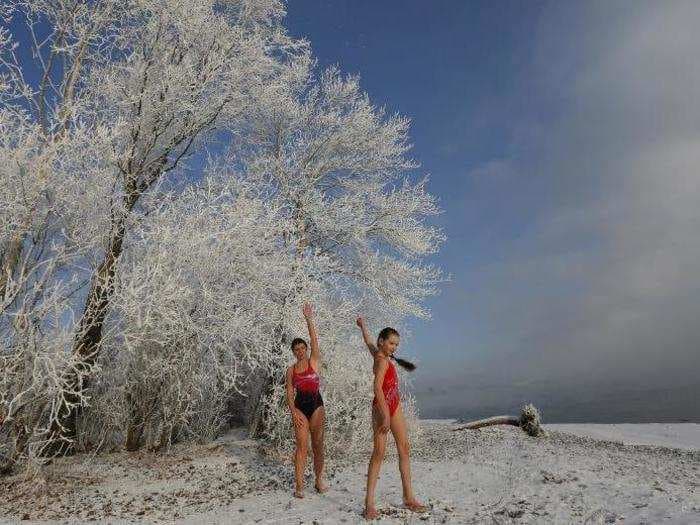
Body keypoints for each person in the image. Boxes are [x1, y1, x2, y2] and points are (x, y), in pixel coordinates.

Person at [356, 316, 427, 520]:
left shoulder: (379, 354)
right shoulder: (381, 361)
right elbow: (376, 387)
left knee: (404, 448)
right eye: (391, 343)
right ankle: (369, 504)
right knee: (379, 452)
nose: (394, 347)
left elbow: (368, 342)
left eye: (396, 344)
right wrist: (385, 414)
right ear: (383, 341)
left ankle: (408, 497)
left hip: (394, 405)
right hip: (382, 408)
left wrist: (363, 327)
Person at [285, 303, 328, 498]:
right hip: (300, 407)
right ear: (293, 352)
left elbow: (315, 340)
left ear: (306, 349)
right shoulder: (291, 370)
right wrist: (293, 411)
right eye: (297, 349)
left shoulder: (313, 361)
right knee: (302, 446)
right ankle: (300, 486)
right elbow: (288, 391)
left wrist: (308, 319)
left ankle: (319, 480)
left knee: (318, 444)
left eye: (303, 348)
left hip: (317, 405)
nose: (300, 351)